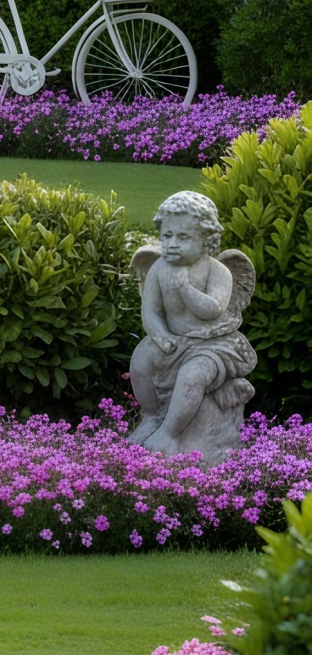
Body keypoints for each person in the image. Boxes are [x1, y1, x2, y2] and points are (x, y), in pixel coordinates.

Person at [129, 191, 256, 459]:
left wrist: (185, 288)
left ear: (207, 240)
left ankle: (170, 433)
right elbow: (150, 310)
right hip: (173, 340)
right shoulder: (159, 269)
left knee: (193, 374)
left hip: (213, 345)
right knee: (140, 361)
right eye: (167, 236)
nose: (172, 244)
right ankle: (152, 416)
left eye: (183, 237)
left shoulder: (217, 271)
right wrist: (160, 335)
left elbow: (213, 309)